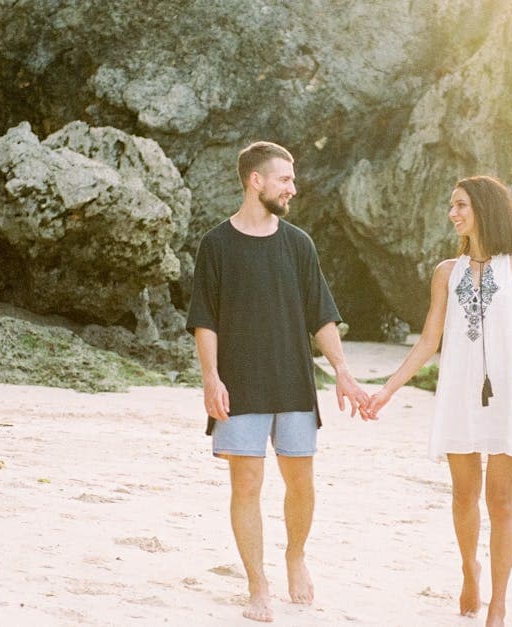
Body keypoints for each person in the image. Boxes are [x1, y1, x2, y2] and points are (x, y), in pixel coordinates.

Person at [186, 140, 373, 623]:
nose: (293, 187)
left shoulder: (298, 244)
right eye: (285, 179)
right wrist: (211, 378)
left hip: (293, 381)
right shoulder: (216, 245)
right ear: (257, 181)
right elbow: (205, 320)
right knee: (246, 485)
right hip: (240, 384)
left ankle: (295, 555)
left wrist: (344, 375)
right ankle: (257, 583)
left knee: (301, 483)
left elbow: (322, 317)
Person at [363, 175, 512, 627]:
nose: (453, 213)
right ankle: (470, 567)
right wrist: (388, 390)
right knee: (465, 496)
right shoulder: (445, 273)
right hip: (459, 393)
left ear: (484, 209)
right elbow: (429, 340)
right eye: (452, 206)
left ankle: (499, 601)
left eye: (461, 205)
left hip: (510, 395)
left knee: (503, 501)